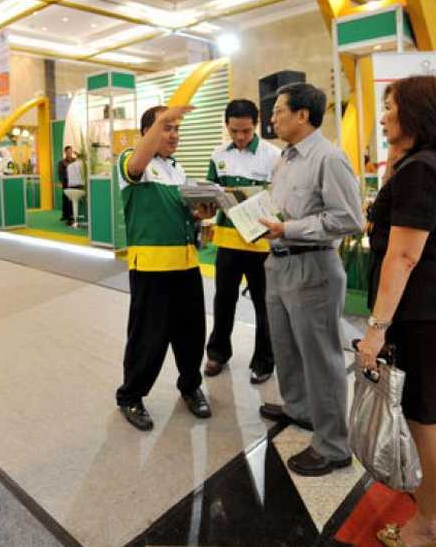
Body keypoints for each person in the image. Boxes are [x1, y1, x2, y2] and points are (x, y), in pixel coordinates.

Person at [357, 76, 436, 547]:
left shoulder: (421, 171)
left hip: (423, 310)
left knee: (423, 412)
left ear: (417, 113)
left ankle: (431, 525)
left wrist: (375, 329)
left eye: (391, 106)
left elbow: (404, 256)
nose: (383, 116)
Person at [257, 82, 363, 476]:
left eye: (279, 110)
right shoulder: (285, 158)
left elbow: (349, 219)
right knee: (285, 347)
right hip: (279, 263)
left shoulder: (328, 158)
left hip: (313, 266)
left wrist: (289, 229)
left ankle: (334, 445)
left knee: (321, 358)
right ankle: (299, 409)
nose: (272, 117)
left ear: (303, 115)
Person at [115, 105, 216, 431]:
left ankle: (190, 386)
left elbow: (183, 214)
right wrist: (160, 120)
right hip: (151, 269)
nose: (173, 135)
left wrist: (200, 214)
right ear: (147, 133)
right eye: (165, 128)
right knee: (148, 337)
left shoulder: (177, 169)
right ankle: (131, 396)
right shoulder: (132, 161)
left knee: (191, 333)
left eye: (176, 128)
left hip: (186, 265)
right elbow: (135, 166)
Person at [204, 99, 281, 384]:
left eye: (246, 131)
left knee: (265, 304)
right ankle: (217, 353)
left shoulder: (273, 156)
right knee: (224, 300)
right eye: (234, 130)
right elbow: (210, 194)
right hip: (228, 242)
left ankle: (264, 361)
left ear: (256, 125)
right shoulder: (217, 155)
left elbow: (281, 198)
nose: (240, 136)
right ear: (226, 125)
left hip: (261, 243)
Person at [59, 146, 75, 223]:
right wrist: (62, 182)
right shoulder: (62, 162)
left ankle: (70, 217)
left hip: (74, 183)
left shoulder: (75, 161)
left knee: (70, 200)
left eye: (71, 151)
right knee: (65, 199)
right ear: (65, 152)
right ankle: (64, 215)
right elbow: (60, 173)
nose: (70, 152)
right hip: (66, 183)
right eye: (68, 151)